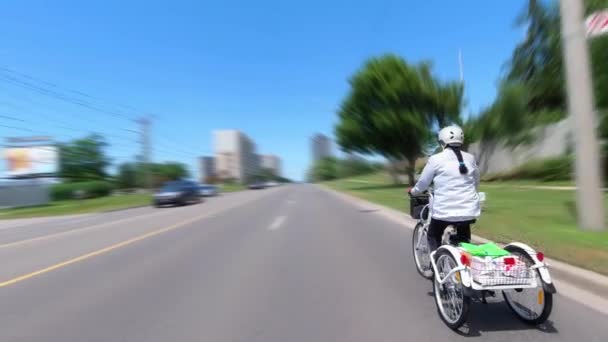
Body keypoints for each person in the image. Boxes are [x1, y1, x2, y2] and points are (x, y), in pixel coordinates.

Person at [409, 125, 481, 252]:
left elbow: (423, 183)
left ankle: (436, 265)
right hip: (469, 211)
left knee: (433, 234)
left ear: (443, 142)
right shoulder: (470, 158)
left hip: (444, 211)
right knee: (463, 237)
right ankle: (463, 259)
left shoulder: (435, 159)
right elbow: (476, 182)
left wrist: (414, 191)